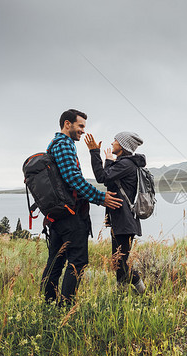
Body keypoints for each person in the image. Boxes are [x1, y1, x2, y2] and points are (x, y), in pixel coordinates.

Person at [41, 109, 123, 305]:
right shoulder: (64, 145)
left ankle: (49, 303)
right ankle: (65, 306)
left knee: (56, 260)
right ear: (67, 124)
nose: (83, 131)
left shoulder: (54, 144)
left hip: (59, 214)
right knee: (77, 261)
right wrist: (100, 197)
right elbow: (74, 180)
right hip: (70, 215)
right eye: (80, 126)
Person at [85, 131, 146, 294]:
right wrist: (108, 162)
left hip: (125, 222)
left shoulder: (126, 164)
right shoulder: (124, 164)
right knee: (118, 262)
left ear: (123, 145)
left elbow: (101, 178)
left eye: (115, 140)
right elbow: (111, 185)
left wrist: (94, 153)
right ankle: (122, 295)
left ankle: (141, 290)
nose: (112, 143)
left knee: (121, 263)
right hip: (122, 220)